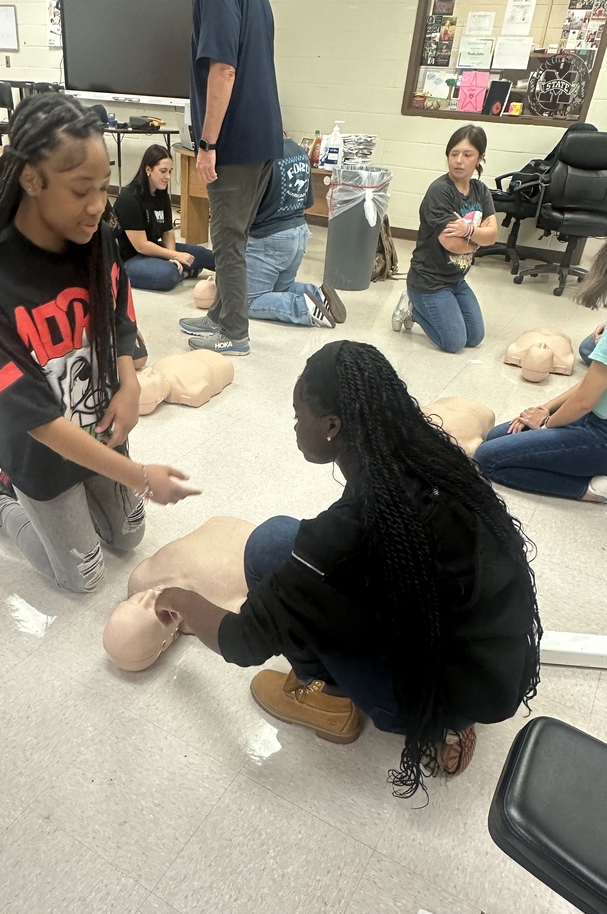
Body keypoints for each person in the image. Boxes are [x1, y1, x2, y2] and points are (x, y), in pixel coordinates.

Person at [154, 340, 542, 798]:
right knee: (289, 545)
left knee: (269, 546)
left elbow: (242, 642)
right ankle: (453, 720)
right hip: (491, 672)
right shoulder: (436, 461)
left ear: (333, 426)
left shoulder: (343, 535)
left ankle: (326, 696)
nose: (295, 425)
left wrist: (177, 597)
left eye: (300, 415)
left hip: (427, 697)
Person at [0, 93, 199, 593]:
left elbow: (119, 316)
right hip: (41, 454)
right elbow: (39, 422)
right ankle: (0, 497)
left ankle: (82, 498)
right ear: (32, 179)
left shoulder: (99, 239)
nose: (97, 206)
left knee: (129, 538)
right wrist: (138, 476)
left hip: (99, 430)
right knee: (83, 575)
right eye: (80, 189)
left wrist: (129, 384)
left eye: (103, 187)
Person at [178, 0, 283, 357]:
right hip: (263, 136)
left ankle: (234, 332)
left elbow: (223, 70)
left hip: (235, 141)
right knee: (233, 237)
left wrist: (207, 143)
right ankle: (220, 315)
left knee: (226, 240)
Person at [392, 124, 497, 353]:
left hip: (456, 278)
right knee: (454, 343)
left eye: (467, 154)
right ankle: (413, 308)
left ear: (480, 158)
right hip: (428, 280)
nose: (459, 160)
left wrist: (467, 231)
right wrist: (479, 237)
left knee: (475, 337)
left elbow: (494, 235)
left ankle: (435, 308)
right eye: (453, 154)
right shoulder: (440, 191)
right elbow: (451, 243)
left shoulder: (481, 190)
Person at [473, 334, 607, 502]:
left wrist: (545, 424)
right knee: (497, 435)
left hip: (601, 430)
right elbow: (592, 382)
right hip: (594, 416)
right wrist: (546, 409)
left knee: (487, 458)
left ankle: (593, 490)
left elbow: (583, 402)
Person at [245, 135, 347, 328]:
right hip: (299, 232)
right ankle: (317, 295)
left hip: (270, 237)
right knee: (281, 288)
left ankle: (304, 308)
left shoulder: (261, 155)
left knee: (248, 301)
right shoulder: (300, 151)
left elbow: (247, 206)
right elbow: (308, 201)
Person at [113, 144, 215, 291]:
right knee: (168, 274)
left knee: (201, 253)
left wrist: (173, 257)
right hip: (129, 258)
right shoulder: (130, 198)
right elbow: (141, 245)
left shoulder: (161, 194)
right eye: (163, 171)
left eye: (170, 171)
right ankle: (185, 272)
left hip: (152, 250)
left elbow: (168, 232)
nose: (168, 176)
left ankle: (244, 271)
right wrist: (174, 256)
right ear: (148, 170)